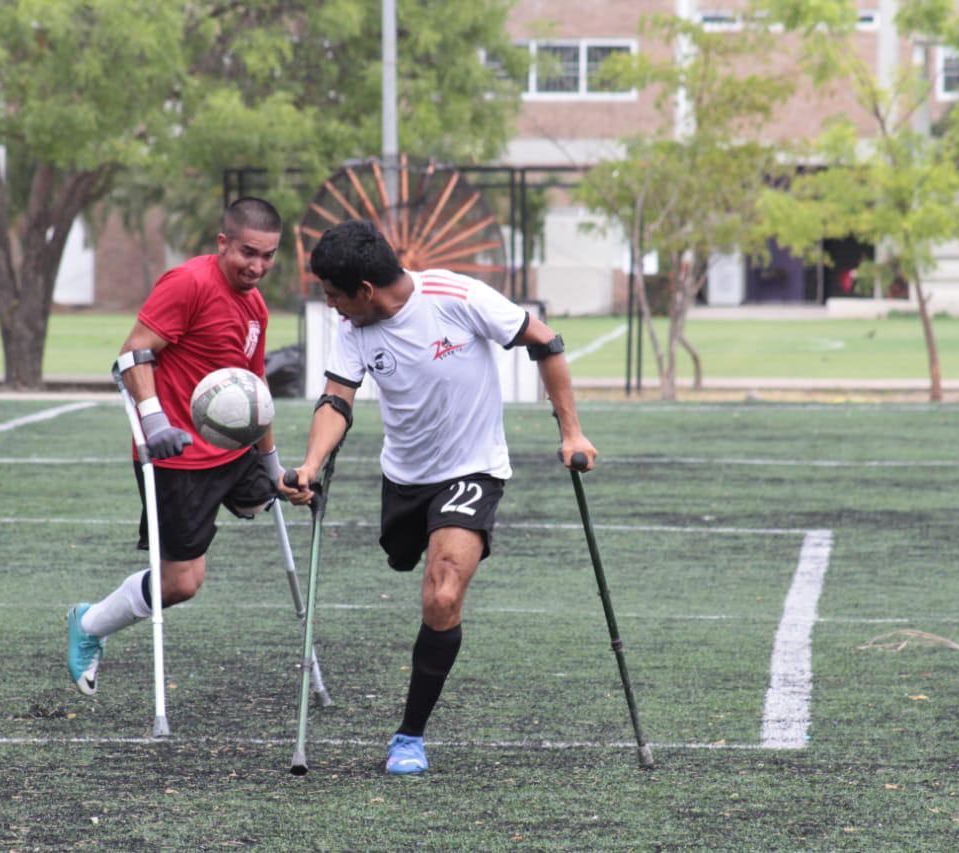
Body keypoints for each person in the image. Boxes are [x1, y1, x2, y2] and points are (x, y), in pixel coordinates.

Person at [279, 219, 596, 775]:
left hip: (473, 470)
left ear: (366, 291)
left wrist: (570, 432)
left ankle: (409, 737)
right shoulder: (354, 329)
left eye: (334, 296)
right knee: (405, 560)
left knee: (442, 593)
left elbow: (545, 340)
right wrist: (311, 465)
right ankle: (411, 551)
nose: (331, 307)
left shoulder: (457, 296)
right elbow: (337, 400)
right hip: (404, 478)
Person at [66, 197, 285, 696]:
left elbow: (256, 385)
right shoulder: (188, 283)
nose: (257, 267)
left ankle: (246, 491)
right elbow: (132, 354)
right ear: (223, 242)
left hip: (233, 447)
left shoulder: (255, 304)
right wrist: (154, 420)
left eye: (269, 256)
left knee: (260, 498)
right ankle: (90, 622)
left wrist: (272, 464)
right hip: (177, 455)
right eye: (248, 253)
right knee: (183, 583)